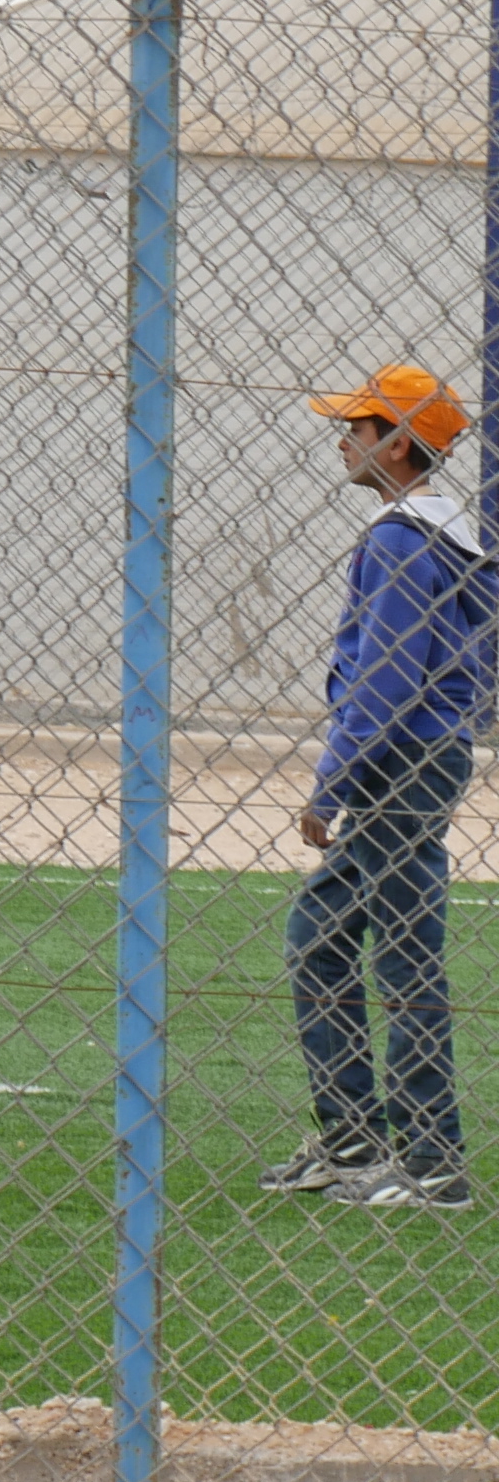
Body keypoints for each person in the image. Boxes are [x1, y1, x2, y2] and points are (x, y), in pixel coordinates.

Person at [272, 363, 486, 1211]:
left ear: (398, 445)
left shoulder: (400, 542)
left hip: (402, 762)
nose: (343, 440)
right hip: (415, 761)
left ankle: (433, 1161)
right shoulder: (437, 534)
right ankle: (356, 1135)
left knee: (402, 954)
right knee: (319, 933)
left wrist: (331, 783)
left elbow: (384, 680)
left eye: (358, 429)